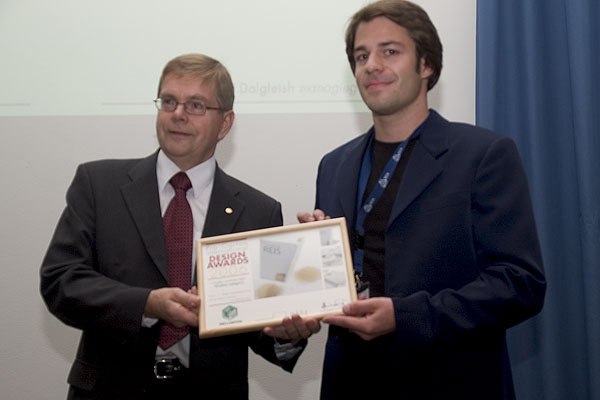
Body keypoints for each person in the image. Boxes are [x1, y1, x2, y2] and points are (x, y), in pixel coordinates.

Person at [298, 1, 546, 398]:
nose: (371, 65)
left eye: (389, 51)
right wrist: (309, 274)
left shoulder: (483, 155)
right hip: (351, 381)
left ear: (426, 64)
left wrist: (405, 316)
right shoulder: (334, 165)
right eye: (361, 56)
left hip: (450, 381)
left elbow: (520, 284)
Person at [40, 53, 319, 399]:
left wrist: (285, 335)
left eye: (196, 105)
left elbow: (258, 325)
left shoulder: (258, 211)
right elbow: (61, 281)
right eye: (169, 101)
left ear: (225, 123)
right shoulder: (99, 185)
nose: (178, 114)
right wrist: (147, 303)